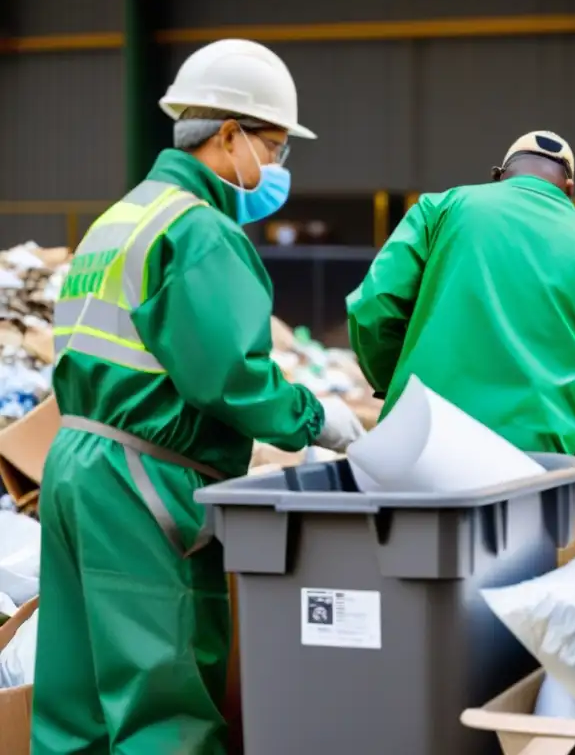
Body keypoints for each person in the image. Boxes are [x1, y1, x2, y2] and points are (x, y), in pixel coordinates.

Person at [33, 39, 365, 754]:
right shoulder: (200, 230)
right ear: (227, 136)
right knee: (165, 695)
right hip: (144, 478)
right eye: (273, 147)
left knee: (78, 699)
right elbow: (228, 378)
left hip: (74, 467)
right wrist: (316, 419)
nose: (276, 167)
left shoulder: (119, 220)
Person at [346, 131, 575, 485]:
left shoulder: (444, 207)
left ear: (500, 175)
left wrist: (400, 388)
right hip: (536, 462)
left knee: (411, 539)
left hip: (423, 441)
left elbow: (374, 308)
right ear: (570, 189)